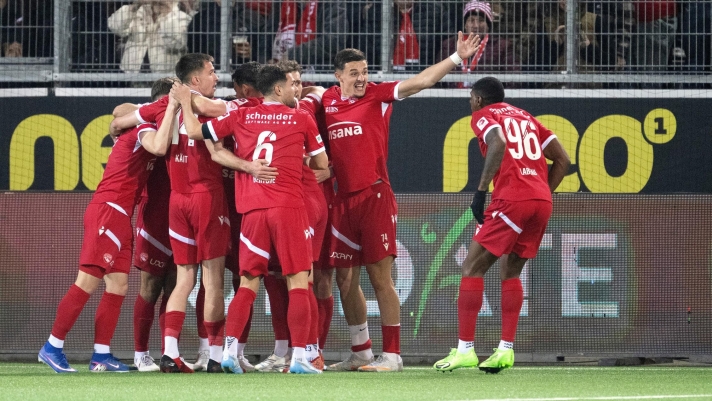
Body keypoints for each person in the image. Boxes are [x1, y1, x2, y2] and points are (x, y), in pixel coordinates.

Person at [323, 33, 481, 373]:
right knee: (345, 281)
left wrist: (456, 57)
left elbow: (421, 81)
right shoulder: (325, 101)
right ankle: (361, 352)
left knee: (380, 278)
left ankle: (393, 355)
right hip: (342, 201)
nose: (362, 77)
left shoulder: (379, 96)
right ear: (338, 75)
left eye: (364, 71)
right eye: (354, 72)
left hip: (375, 197)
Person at [177, 64, 328, 374]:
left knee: (248, 281)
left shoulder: (242, 115)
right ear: (277, 89)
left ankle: (230, 352)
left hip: (252, 210)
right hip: (288, 207)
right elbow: (322, 162)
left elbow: (194, 131)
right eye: (290, 85)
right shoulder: (301, 117)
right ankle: (300, 357)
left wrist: (182, 102)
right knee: (299, 280)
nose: (294, 90)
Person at [37, 79, 178, 374]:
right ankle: (52, 346)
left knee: (118, 285)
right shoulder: (144, 128)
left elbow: (120, 114)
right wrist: (169, 106)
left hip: (122, 215)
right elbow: (157, 144)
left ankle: (101, 355)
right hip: (108, 210)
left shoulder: (141, 121)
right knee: (87, 280)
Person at [433, 77, 570, 373]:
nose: (471, 104)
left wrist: (481, 191)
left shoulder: (484, 115)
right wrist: (542, 192)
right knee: (511, 271)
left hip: (511, 199)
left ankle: (465, 349)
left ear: (477, 99)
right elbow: (563, 159)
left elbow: (498, 142)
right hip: (541, 203)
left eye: (471, 99)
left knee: (471, 267)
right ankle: (506, 350)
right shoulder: (526, 116)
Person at [439, 1, 519, 87]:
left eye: (481, 21)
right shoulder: (449, 45)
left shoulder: (502, 46)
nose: (476, 25)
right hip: (452, 97)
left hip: (487, 98)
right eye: (471, 20)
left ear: (488, 25)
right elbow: (437, 75)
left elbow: (514, 78)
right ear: (465, 25)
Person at [108, 0, 192, 73]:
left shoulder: (182, 18)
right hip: (132, 74)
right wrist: (134, 7)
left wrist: (168, 14)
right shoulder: (137, 12)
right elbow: (115, 28)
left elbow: (176, 44)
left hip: (165, 77)